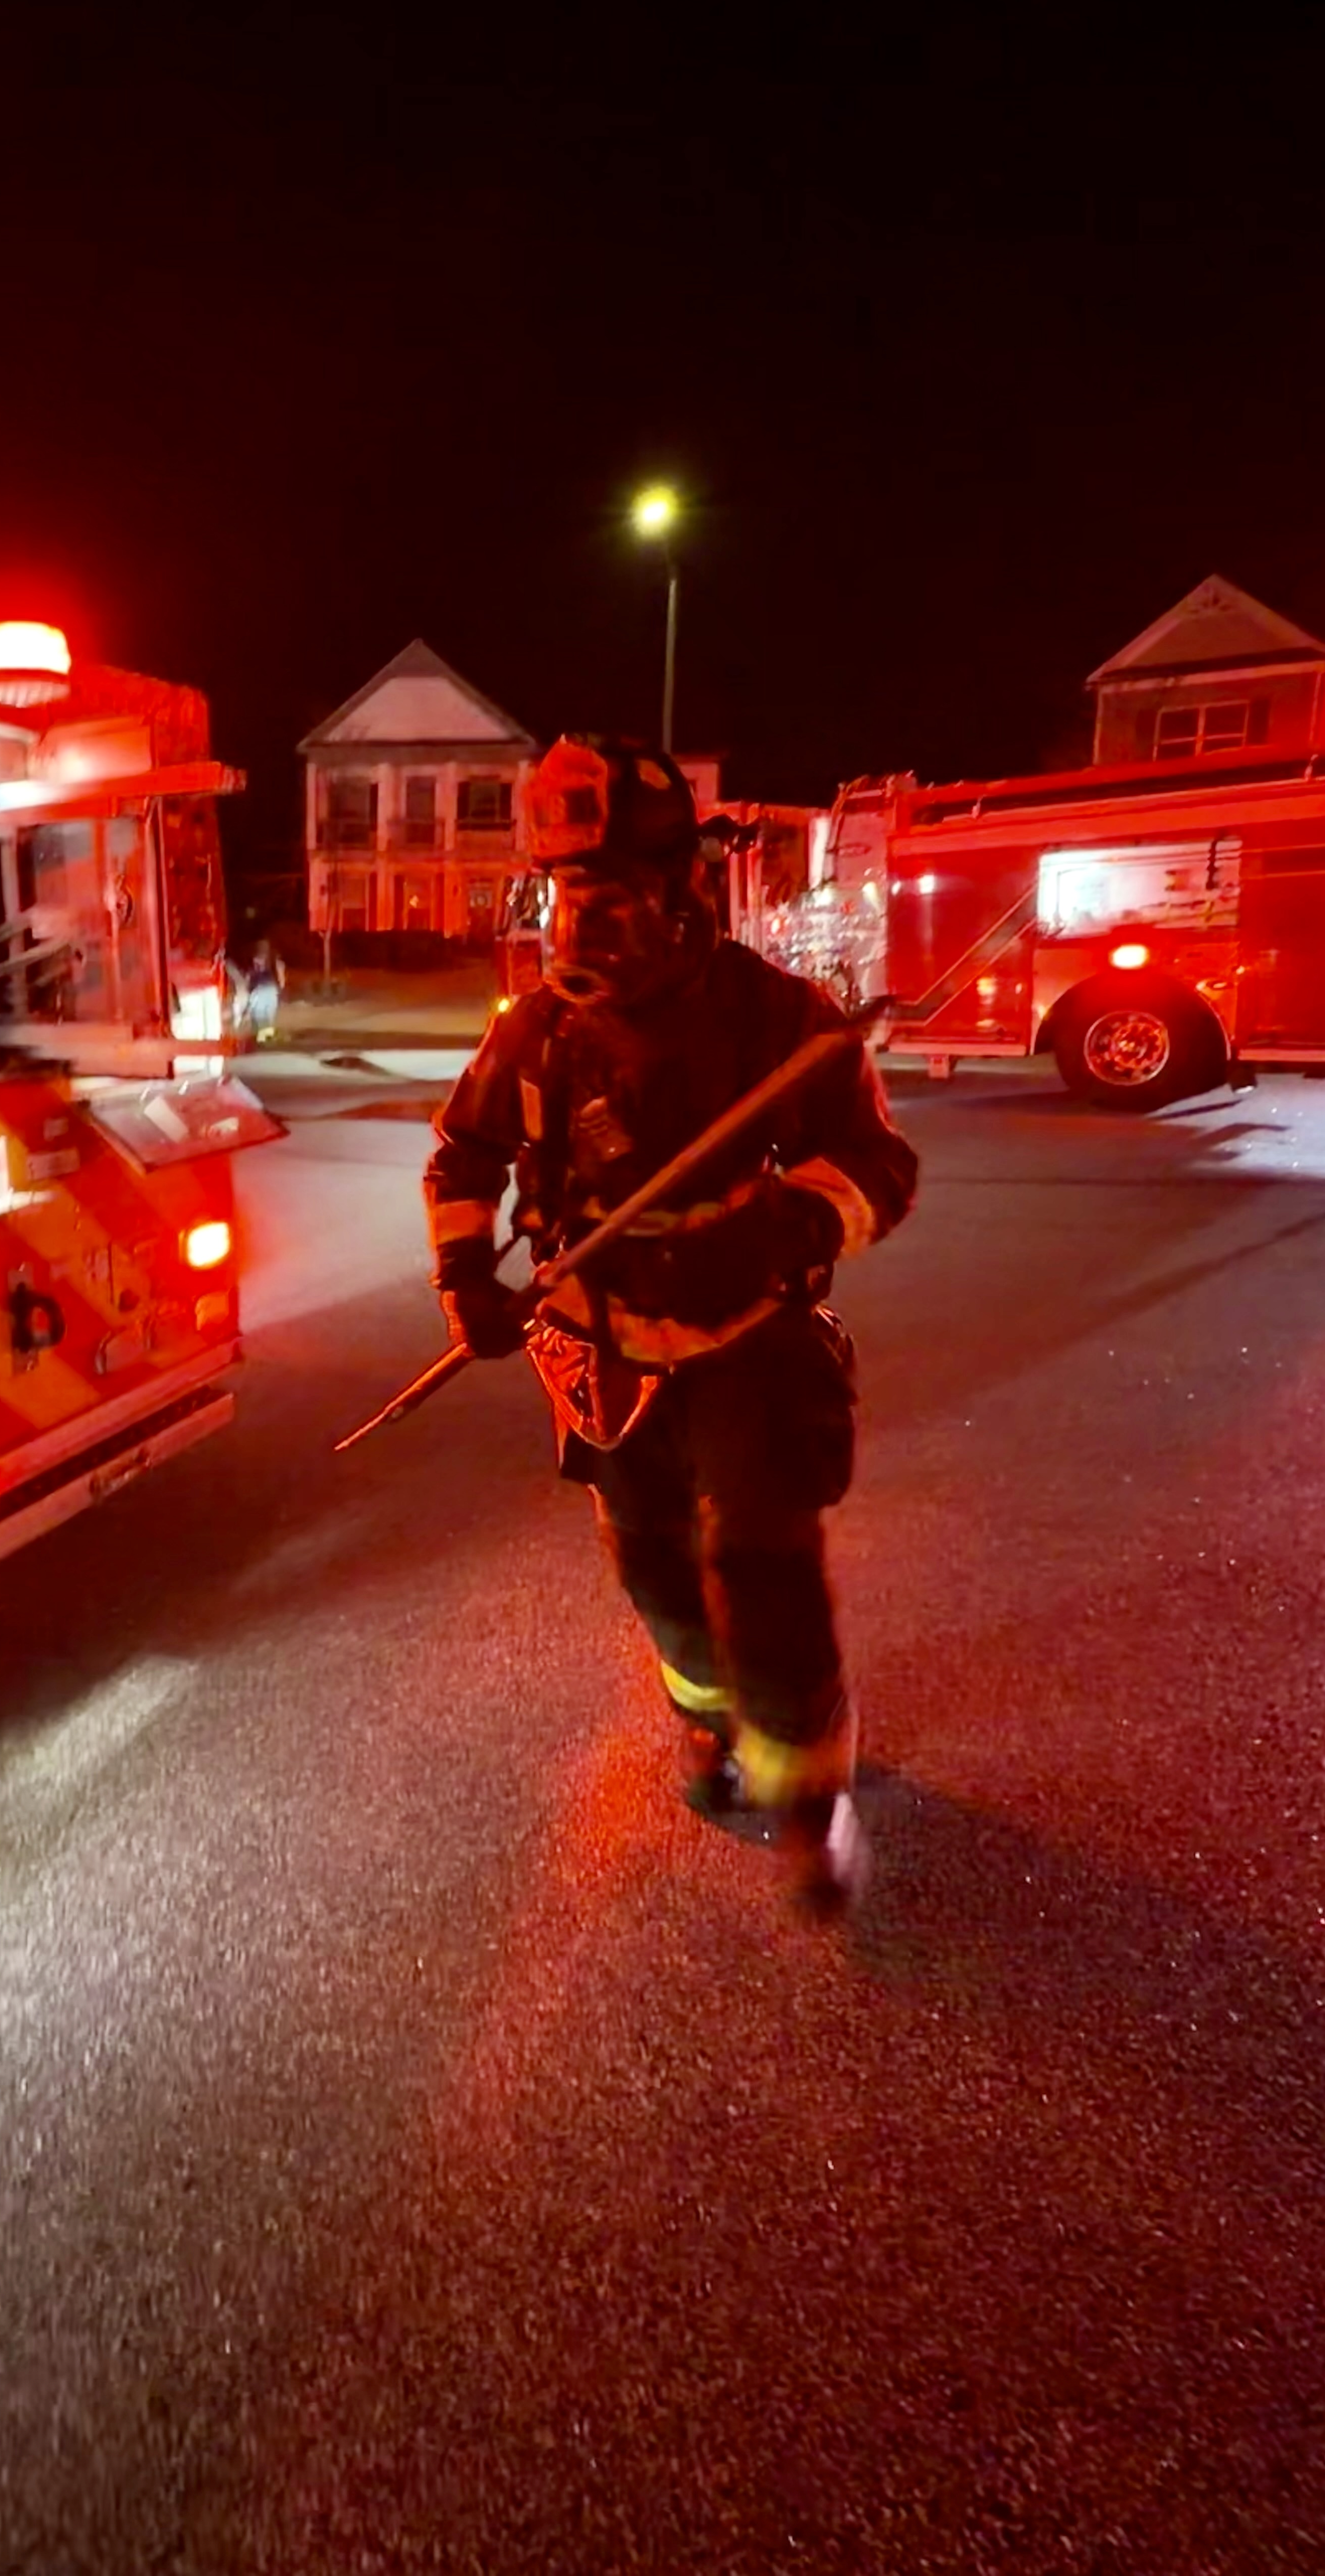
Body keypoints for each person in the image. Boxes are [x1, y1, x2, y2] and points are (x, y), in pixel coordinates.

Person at [423, 735, 918, 1913]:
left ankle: (809, 1792)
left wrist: (782, 1229)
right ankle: (705, 1721)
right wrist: (466, 1284)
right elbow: (464, 1154)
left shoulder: (778, 1019)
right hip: (600, 1351)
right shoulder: (533, 1030)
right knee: (651, 1566)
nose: (586, 928)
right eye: (567, 898)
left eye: (616, 900)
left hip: (749, 1339)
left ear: (683, 891)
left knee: (766, 1566)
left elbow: (880, 1166)